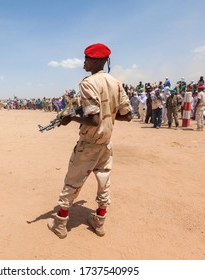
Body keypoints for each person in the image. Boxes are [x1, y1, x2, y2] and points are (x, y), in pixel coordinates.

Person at [47, 43, 133, 239]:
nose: (84, 63)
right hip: (106, 144)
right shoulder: (116, 83)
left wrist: (70, 118)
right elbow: (127, 115)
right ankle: (99, 222)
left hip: (89, 144)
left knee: (72, 182)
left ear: (95, 60)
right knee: (104, 184)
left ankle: (60, 224)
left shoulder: (88, 83)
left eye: (86, 59)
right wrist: (107, 116)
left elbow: (93, 120)